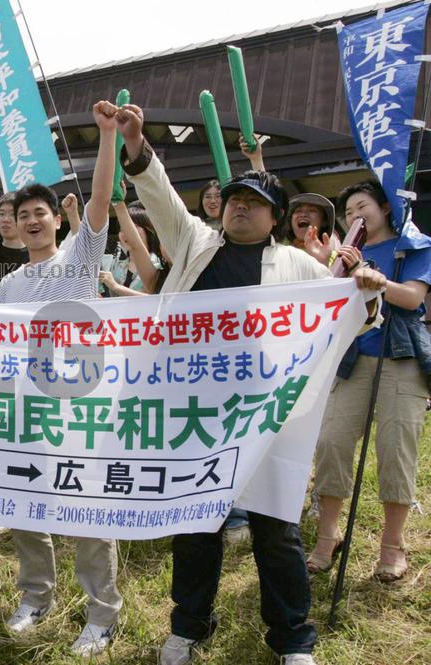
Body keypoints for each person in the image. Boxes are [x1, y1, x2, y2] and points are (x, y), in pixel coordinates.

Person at [114, 102, 385, 665]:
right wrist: (136, 146)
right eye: (235, 198)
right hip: (192, 413)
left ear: (275, 216)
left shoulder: (299, 267)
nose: (240, 206)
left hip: (266, 416)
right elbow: (159, 195)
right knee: (195, 527)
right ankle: (188, 627)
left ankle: (293, 639)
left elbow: (348, 315)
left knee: (275, 529)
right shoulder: (194, 244)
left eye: (254, 202)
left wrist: (364, 291)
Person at [0, 101, 119, 657]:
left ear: (54, 218)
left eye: (40, 212)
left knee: (87, 509)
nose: (31, 220)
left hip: (81, 407)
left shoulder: (79, 258)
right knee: (25, 504)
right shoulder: (8, 285)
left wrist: (107, 135)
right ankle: (35, 596)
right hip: (29, 408)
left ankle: (102, 613)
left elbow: (99, 200)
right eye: (22, 215)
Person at [309, 180, 431, 583]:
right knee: (332, 441)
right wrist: (331, 266)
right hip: (352, 359)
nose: (354, 216)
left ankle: (392, 546)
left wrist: (377, 280)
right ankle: (328, 535)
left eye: (361, 206)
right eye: (348, 212)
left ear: (384, 208)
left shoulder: (413, 246)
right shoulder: (345, 255)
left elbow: (412, 298)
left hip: (400, 356)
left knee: (396, 447)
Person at [99, 202, 168, 296]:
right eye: (122, 229)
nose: (126, 233)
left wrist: (115, 287)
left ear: (148, 231)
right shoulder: (117, 264)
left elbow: (152, 298)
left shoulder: (157, 262)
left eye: (133, 228)